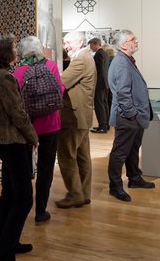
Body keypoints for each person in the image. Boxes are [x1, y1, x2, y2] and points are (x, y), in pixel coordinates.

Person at [0, 35, 38, 261]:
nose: (17, 49)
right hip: (13, 141)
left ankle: (9, 242)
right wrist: (33, 136)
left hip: (4, 141)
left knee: (9, 193)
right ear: (7, 53)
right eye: (14, 47)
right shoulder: (5, 77)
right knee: (24, 198)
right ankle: (4, 252)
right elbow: (17, 113)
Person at [12, 36, 63, 224]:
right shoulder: (51, 67)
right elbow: (61, 91)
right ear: (40, 49)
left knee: (25, 169)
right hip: (51, 124)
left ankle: (23, 207)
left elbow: (16, 102)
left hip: (27, 127)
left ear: (22, 52)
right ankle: (41, 211)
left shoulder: (18, 71)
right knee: (46, 168)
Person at [107, 29, 155, 202]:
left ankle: (134, 178)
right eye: (133, 39)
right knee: (120, 152)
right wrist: (132, 115)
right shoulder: (121, 63)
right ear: (123, 45)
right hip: (127, 117)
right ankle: (115, 186)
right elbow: (123, 93)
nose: (137, 41)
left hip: (133, 117)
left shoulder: (126, 60)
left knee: (132, 149)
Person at [55, 31, 95, 209]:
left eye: (68, 43)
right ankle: (84, 193)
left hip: (73, 117)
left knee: (66, 156)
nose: (66, 46)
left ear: (79, 42)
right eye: (64, 43)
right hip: (82, 116)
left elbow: (60, 83)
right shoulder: (86, 57)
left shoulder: (80, 60)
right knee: (82, 156)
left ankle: (75, 194)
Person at [88, 38, 110, 134]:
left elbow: (99, 70)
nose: (91, 48)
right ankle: (106, 124)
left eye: (91, 45)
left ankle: (102, 126)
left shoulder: (99, 54)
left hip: (100, 82)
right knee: (104, 103)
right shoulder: (104, 53)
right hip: (105, 82)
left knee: (99, 104)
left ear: (95, 44)